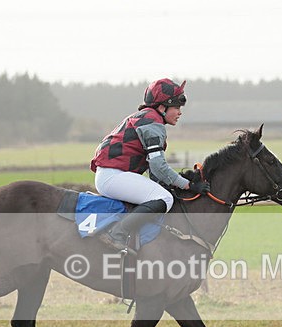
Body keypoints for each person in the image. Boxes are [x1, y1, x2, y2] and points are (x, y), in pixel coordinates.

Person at [90, 78, 210, 253]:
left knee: (164, 193)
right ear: (162, 107)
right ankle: (117, 233)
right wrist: (189, 185)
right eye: (177, 107)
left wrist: (172, 184)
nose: (179, 113)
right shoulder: (152, 122)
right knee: (165, 199)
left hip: (114, 175)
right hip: (113, 177)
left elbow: (155, 171)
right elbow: (159, 167)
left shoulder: (148, 118)